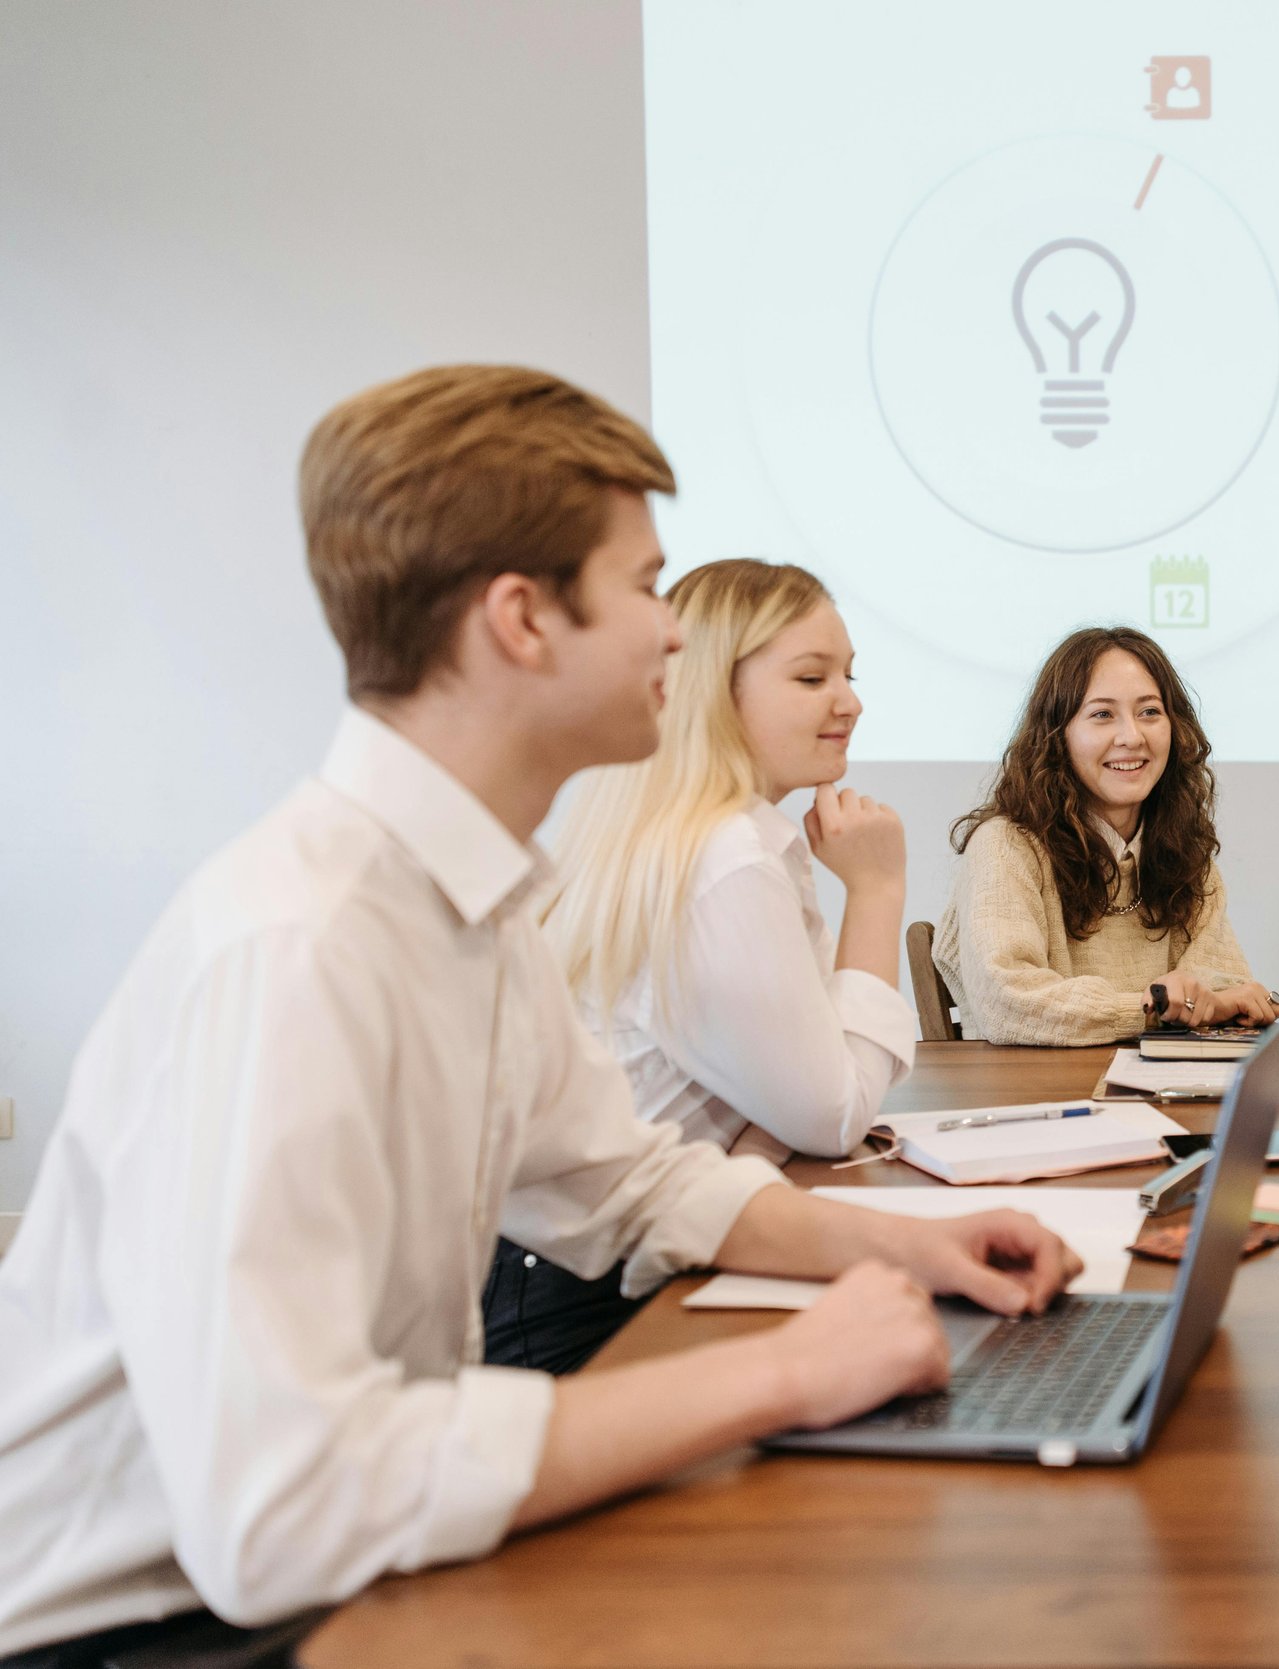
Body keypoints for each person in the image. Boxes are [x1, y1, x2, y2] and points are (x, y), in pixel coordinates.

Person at [0, 367, 1081, 1665]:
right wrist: (786, 1371)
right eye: (641, 587)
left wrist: (918, 1249)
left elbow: (626, 1186)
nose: (674, 636)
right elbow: (281, 1506)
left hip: (298, 1576)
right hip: (152, 1629)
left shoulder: (476, 904)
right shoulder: (301, 946)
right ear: (520, 619)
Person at [486, 559, 917, 1374]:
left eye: (849, 674)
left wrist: (763, 1140)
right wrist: (878, 889)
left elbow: (804, 1098)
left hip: (577, 1274)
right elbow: (830, 1114)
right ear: (719, 691)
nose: (850, 700)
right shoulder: (726, 859)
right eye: (811, 675)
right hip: (587, 1303)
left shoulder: (731, 839)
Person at [933, 625, 1279, 1045]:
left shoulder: (1185, 854)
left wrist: (1229, 1004)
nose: (1132, 737)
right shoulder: (1005, 846)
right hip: (1036, 1101)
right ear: (1057, 735)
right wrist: (1152, 1010)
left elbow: (1219, 987)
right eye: (1102, 714)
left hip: (1159, 1098)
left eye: (1150, 712)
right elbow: (1007, 1002)